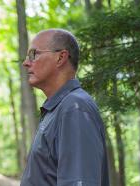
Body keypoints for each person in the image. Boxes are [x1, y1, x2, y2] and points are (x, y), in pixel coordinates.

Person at [20, 29, 109, 186]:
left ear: (61, 57)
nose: (26, 62)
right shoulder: (58, 109)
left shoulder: (74, 108)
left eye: (34, 54)